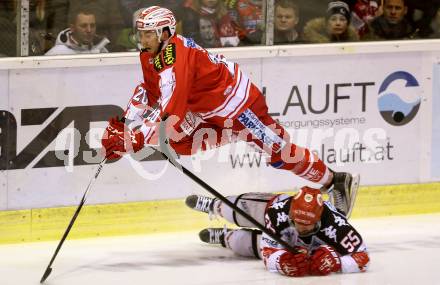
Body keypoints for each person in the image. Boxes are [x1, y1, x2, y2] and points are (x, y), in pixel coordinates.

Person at [100, 6, 360, 217]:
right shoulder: (149, 53)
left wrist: (138, 138)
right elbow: (150, 92)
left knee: (281, 154)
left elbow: (171, 110)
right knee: (177, 142)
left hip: (240, 108)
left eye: (149, 33)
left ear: (166, 33)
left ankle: (334, 180)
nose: (142, 39)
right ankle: (236, 135)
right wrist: (125, 123)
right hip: (206, 110)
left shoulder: (178, 58)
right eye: (141, 33)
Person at [185, 187, 370, 277]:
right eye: (297, 221)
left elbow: (362, 256)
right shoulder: (277, 211)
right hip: (274, 217)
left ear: (320, 217)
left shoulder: (337, 225)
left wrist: (337, 263)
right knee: (240, 208)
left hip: (298, 247)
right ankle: (214, 205)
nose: (302, 227)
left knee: (249, 245)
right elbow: (269, 254)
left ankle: (226, 237)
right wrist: (281, 262)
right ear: (291, 211)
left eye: (308, 224)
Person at [45, 7, 110, 55]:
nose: (89, 30)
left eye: (92, 25)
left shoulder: (101, 50)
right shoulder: (56, 53)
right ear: (72, 28)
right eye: (84, 26)